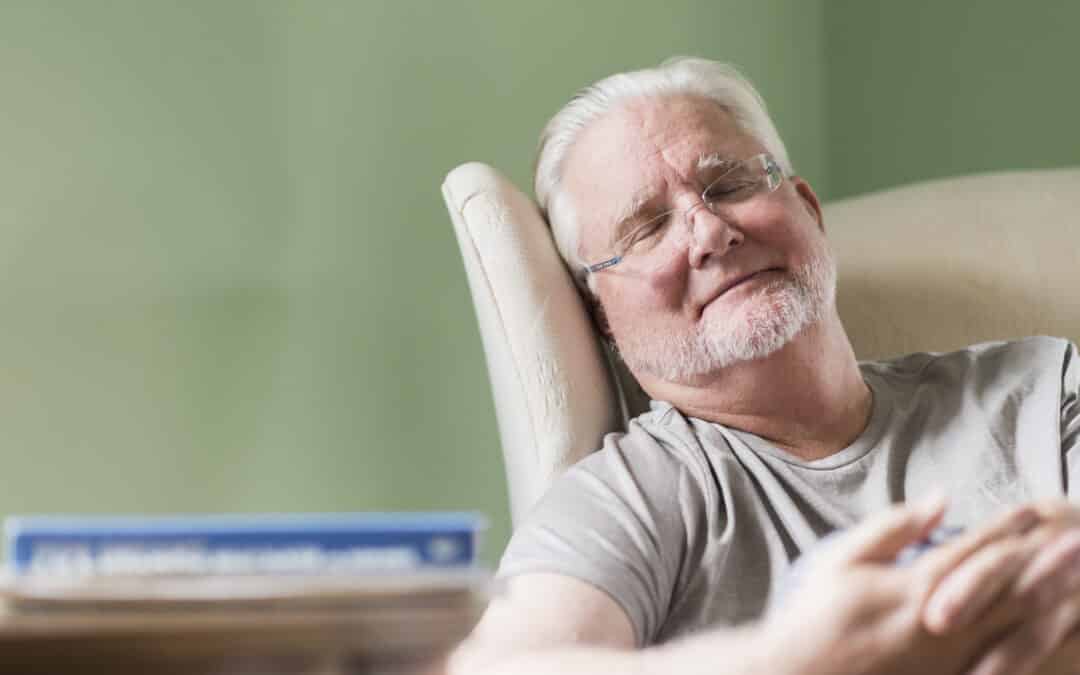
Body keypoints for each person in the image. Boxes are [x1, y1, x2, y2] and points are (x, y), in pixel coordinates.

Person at [448, 57, 1080, 675]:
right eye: (645, 229)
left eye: (731, 184)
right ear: (603, 317)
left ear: (809, 210)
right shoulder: (626, 496)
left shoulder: (1043, 389)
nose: (709, 233)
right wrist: (793, 661)